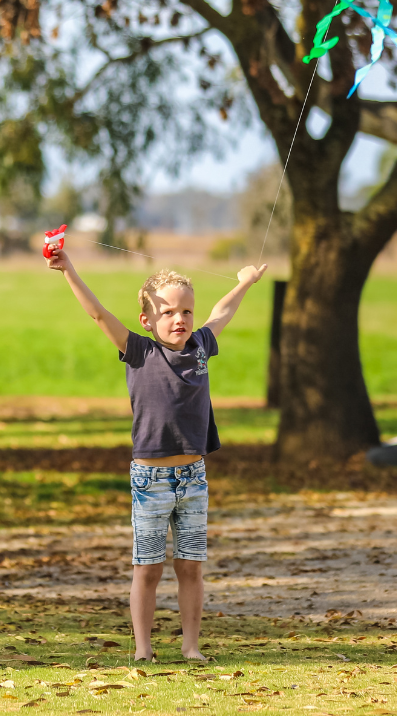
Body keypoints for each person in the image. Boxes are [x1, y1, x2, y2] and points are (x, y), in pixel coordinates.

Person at [45, 242, 266, 661]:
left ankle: (190, 647)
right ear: (147, 320)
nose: (178, 319)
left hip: (194, 478)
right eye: (167, 312)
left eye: (185, 311)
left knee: (191, 567)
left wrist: (245, 282)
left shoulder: (201, 346)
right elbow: (97, 313)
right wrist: (68, 268)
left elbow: (222, 312)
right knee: (148, 569)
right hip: (150, 481)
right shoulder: (139, 352)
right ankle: (143, 650)